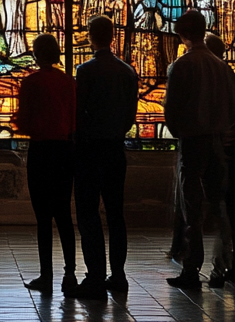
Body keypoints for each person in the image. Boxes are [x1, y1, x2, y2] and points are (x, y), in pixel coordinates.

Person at [164, 10, 235, 290]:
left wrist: (182, 133)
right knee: (220, 206)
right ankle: (220, 269)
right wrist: (220, 128)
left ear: (182, 35)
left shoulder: (181, 66)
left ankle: (191, 269)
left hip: (193, 140)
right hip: (217, 141)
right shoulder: (222, 66)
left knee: (191, 207)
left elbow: (171, 110)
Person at [73, 15, 138, 299]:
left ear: (90, 36)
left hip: (89, 149)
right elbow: (130, 115)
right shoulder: (127, 72)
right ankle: (119, 274)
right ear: (112, 36)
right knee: (115, 213)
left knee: (88, 213)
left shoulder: (86, 70)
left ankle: (95, 275)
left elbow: (79, 112)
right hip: (115, 148)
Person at [16, 33, 77, 295]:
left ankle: (46, 275)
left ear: (36, 54)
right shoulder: (69, 82)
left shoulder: (31, 82)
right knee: (64, 214)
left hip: (41, 150)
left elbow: (24, 121)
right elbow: (75, 118)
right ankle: (71, 274)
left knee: (43, 218)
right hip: (64, 150)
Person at [204, 33, 235, 281]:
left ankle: (233, 266)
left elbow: (231, 114)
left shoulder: (221, 75)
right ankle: (234, 265)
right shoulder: (226, 73)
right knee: (231, 210)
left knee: (230, 210)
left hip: (232, 153)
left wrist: (222, 146)